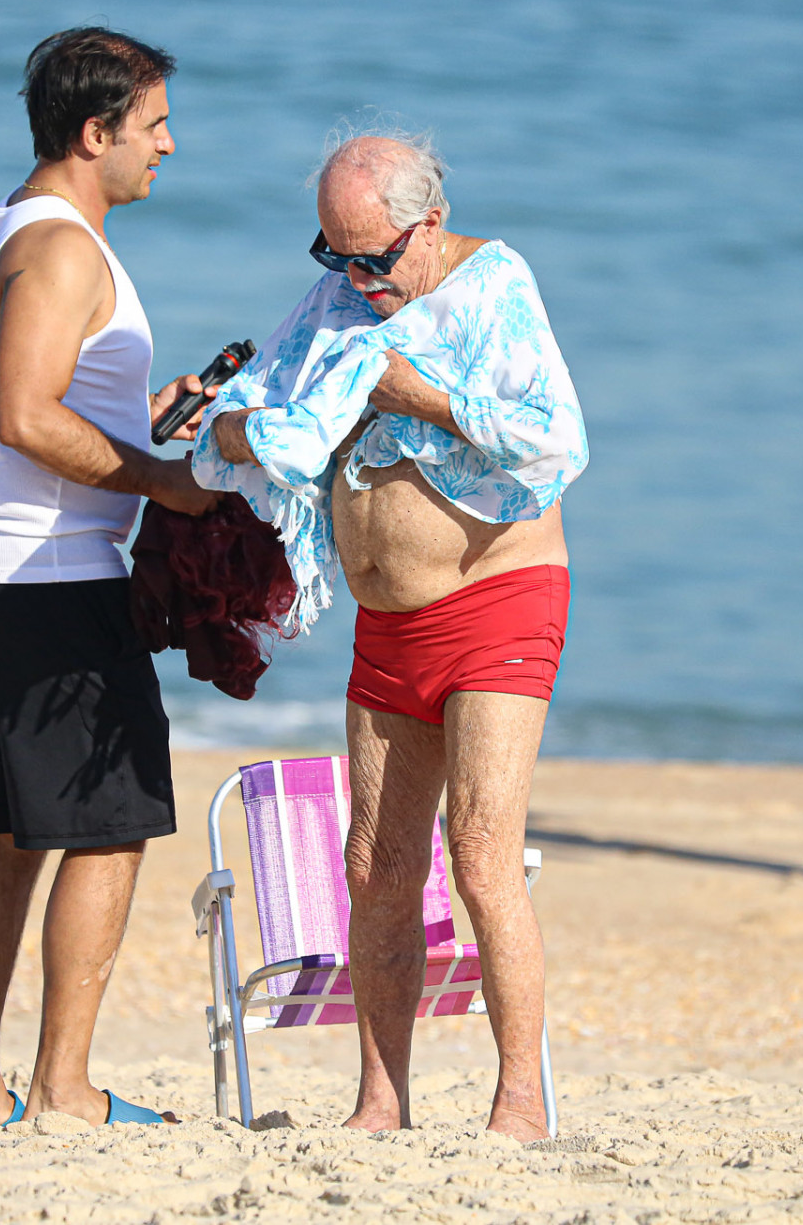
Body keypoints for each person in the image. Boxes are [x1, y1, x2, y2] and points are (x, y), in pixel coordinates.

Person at [191, 132, 588, 1141]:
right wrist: (237, 426)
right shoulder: (341, 296)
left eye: (375, 258)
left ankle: (521, 1103)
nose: (357, 280)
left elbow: (558, 438)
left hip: (497, 594)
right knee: (373, 861)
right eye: (336, 255)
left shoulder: (494, 285)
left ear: (431, 222)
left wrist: (428, 400)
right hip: (386, 619)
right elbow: (244, 411)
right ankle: (381, 1097)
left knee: (483, 851)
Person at [0, 27, 217, 1128]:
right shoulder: (61, 250)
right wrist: (161, 479)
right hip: (48, 574)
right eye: (154, 126)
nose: (169, 146)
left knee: (6, 830)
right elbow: (21, 414)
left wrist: (142, 416)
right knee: (107, 827)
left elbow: (45, 403)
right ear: (96, 134)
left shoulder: (23, 225)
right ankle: (62, 1092)